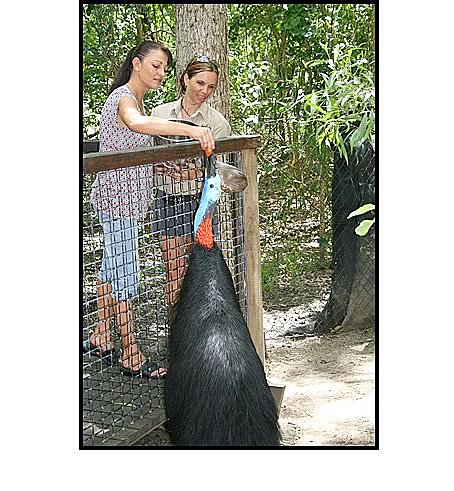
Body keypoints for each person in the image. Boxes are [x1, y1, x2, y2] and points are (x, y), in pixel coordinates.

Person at [85, 41, 216, 380]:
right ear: (136, 63)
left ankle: (101, 334)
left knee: (112, 269)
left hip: (124, 201)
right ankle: (130, 353)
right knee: (126, 276)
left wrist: (156, 167)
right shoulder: (124, 99)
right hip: (118, 202)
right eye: (156, 65)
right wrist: (191, 130)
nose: (161, 73)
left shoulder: (136, 99)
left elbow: (129, 149)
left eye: (165, 68)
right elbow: (136, 124)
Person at [151, 55, 231, 317]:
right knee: (174, 274)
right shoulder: (160, 114)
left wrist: (194, 173)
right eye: (200, 83)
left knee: (200, 274)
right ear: (186, 79)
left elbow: (220, 172)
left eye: (211, 86)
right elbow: (146, 156)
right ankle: (176, 330)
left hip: (200, 207)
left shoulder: (217, 123)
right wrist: (155, 167)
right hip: (167, 201)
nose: (204, 91)